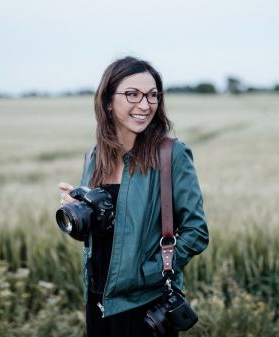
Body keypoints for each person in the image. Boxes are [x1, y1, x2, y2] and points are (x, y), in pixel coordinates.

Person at [58, 56, 208, 337]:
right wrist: (78, 214)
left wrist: (146, 274)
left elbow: (196, 233)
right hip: (97, 299)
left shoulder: (171, 155)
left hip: (146, 305)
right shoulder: (93, 157)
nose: (145, 104)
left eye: (152, 95)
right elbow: (97, 234)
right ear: (107, 102)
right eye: (132, 94)